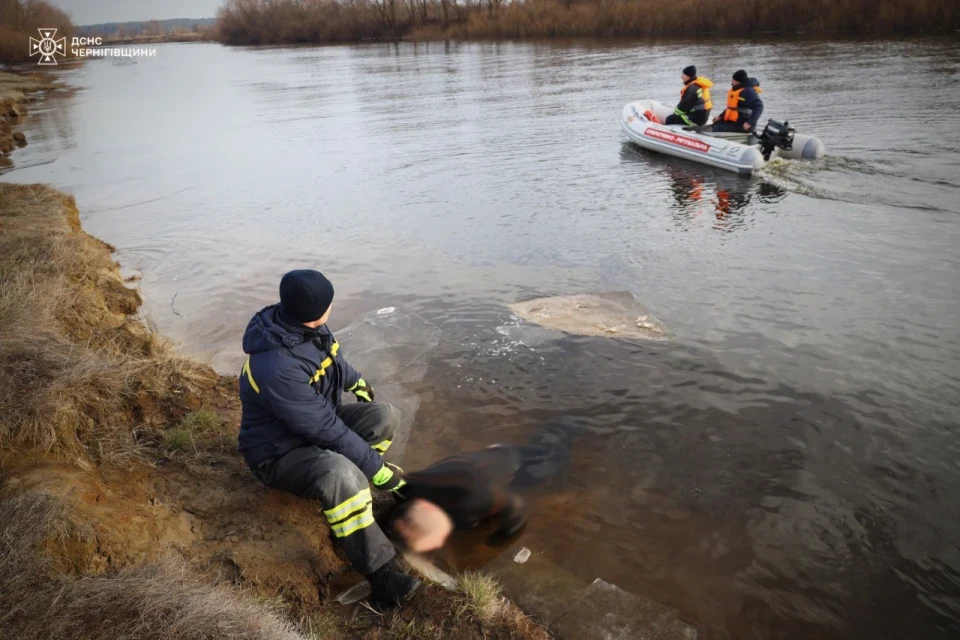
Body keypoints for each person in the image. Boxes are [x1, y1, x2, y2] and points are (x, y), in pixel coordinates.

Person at [238, 269, 421, 606]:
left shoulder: (297, 324)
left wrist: (356, 382)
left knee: (385, 416)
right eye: (330, 302)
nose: (332, 307)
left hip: (313, 428)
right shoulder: (277, 368)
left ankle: (355, 495)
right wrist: (381, 473)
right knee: (342, 472)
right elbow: (325, 429)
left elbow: (331, 358)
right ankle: (380, 575)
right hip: (277, 453)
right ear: (318, 309)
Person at [389, 418, 578, 553]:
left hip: (517, 464)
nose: (440, 544)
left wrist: (499, 539)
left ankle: (570, 424)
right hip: (485, 461)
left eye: (436, 539)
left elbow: (515, 507)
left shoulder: (473, 500)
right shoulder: (408, 487)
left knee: (551, 458)